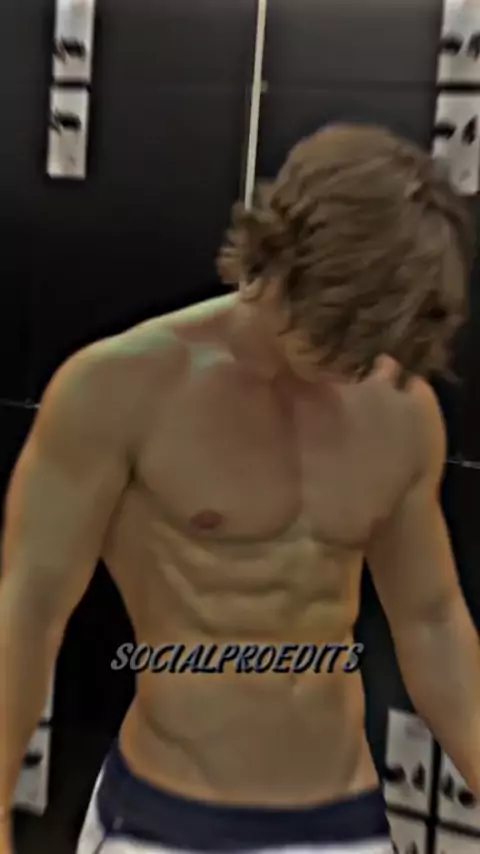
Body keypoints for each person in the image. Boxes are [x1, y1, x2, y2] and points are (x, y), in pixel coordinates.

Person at [0, 123, 479, 854]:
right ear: (281, 259)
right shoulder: (118, 388)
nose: (359, 363)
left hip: (343, 821)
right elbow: (29, 610)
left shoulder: (399, 408)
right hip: (165, 823)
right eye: (343, 331)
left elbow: (432, 621)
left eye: (375, 342)